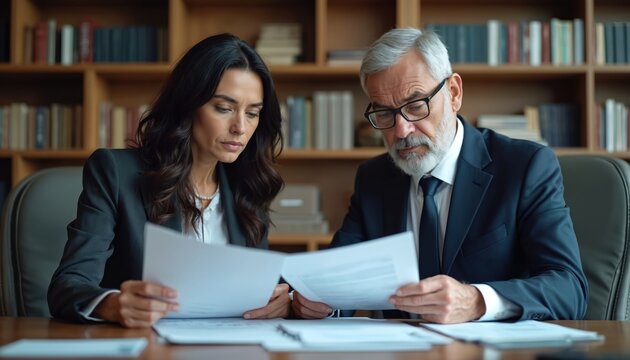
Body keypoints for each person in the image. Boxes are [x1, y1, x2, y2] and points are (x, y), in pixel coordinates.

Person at [291, 28, 588, 323]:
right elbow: (335, 282)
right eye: (384, 113)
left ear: (454, 93)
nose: (401, 131)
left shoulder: (525, 167)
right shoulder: (374, 178)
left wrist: (477, 301)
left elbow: (569, 289)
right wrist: (317, 301)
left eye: (416, 105)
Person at [48, 33, 289, 327]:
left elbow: (258, 294)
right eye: (224, 108)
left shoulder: (248, 187)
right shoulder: (115, 172)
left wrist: (277, 302)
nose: (240, 127)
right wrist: (111, 305)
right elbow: (67, 286)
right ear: (188, 105)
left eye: (253, 113)